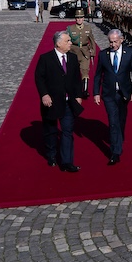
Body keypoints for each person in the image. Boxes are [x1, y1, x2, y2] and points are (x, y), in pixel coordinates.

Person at [34, 31, 84, 172]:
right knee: (51, 131)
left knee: (67, 131)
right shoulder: (46, 58)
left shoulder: (73, 58)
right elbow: (39, 78)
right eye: (67, 41)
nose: (70, 43)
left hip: (68, 102)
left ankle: (67, 162)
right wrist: (44, 95)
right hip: (51, 102)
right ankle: (51, 156)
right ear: (58, 43)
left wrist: (78, 95)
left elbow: (76, 79)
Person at [93, 29, 132, 165]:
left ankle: (119, 138)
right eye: (110, 42)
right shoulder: (103, 55)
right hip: (109, 94)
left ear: (121, 40)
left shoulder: (129, 53)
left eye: (115, 42)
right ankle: (115, 152)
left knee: (121, 120)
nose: (112, 44)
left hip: (124, 93)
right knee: (113, 121)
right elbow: (97, 76)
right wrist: (96, 93)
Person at [67, 9, 96, 97]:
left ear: (83, 18)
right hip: (73, 52)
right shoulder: (70, 28)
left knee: (85, 71)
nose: (79, 19)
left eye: (81, 17)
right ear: (75, 19)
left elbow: (92, 41)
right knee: (73, 72)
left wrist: (93, 52)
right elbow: (67, 40)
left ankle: (85, 90)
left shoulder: (88, 28)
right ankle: (72, 88)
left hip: (84, 53)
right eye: (77, 18)